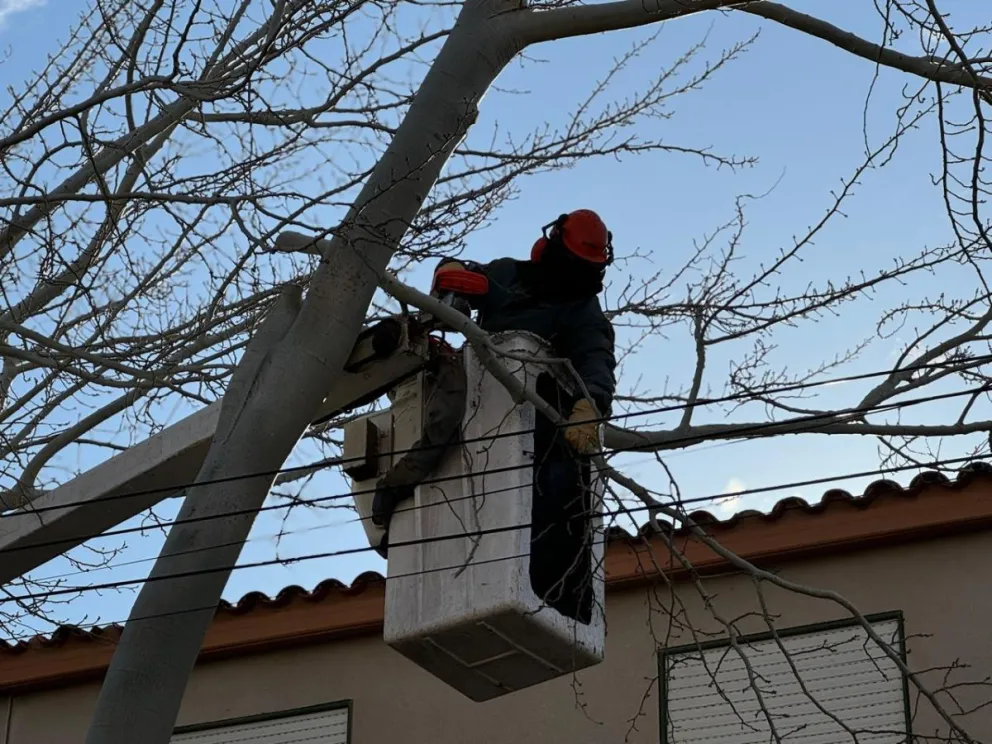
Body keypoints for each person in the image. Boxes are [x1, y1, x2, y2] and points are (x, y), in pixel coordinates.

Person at [373, 208, 618, 618]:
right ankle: (394, 509)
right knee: (441, 432)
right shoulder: (509, 275)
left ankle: (554, 591)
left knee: (554, 487)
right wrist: (452, 277)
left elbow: (597, 358)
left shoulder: (581, 310)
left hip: (538, 413)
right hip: (479, 387)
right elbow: (464, 279)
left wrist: (591, 406)